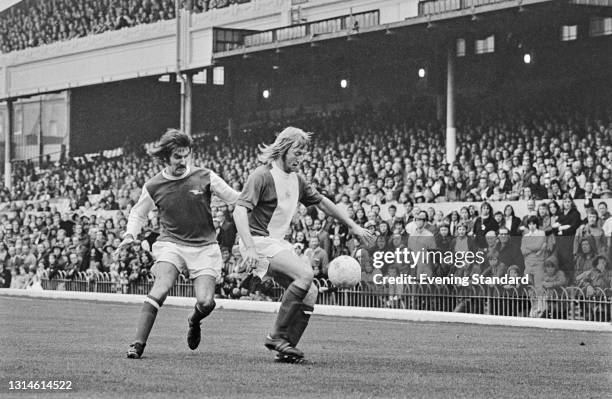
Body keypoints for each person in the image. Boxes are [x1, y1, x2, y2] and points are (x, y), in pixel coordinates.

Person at [233, 127, 373, 363]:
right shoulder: (262, 175)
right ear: (284, 149)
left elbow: (323, 203)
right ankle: (276, 336)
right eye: (297, 152)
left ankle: (286, 347)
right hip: (257, 241)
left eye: (304, 153)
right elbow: (239, 210)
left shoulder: (297, 180)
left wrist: (352, 225)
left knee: (311, 291)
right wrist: (249, 247)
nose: (301, 158)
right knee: (305, 274)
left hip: (274, 243)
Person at [117, 129, 239, 359]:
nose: (183, 161)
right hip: (171, 244)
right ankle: (137, 344)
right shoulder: (154, 185)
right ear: (165, 158)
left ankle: (194, 320)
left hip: (204, 247)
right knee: (162, 287)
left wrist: (261, 196)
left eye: (186, 156)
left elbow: (235, 198)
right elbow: (138, 213)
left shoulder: (206, 176)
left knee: (206, 302)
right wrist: (129, 235)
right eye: (177, 157)